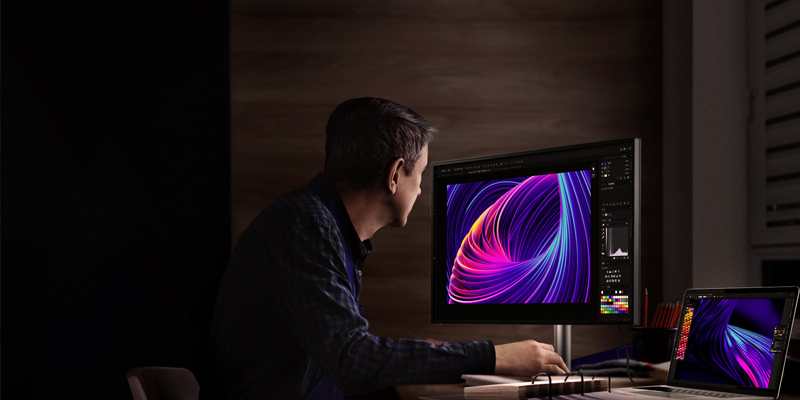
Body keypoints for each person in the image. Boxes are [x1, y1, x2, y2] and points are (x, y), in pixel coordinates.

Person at [205, 97, 568, 400]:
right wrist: (494, 356)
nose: (422, 189)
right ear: (395, 175)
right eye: (421, 174)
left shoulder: (316, 224)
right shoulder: (307, 227)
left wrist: (412, 373)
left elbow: (338, 361)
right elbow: (352, 357)